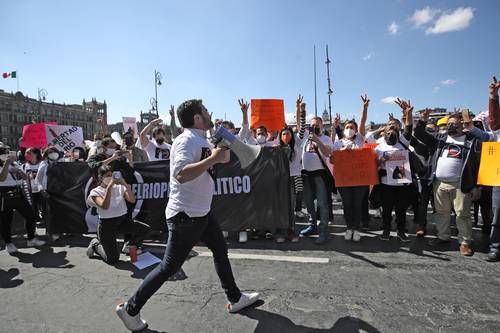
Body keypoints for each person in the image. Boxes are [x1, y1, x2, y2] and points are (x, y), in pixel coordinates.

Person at [116, 99, 259, 332]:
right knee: (169, 267)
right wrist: (213, 157)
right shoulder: (185, 140)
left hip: (201, 212)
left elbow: (214, 162)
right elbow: (181, 174)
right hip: (185, 215)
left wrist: (220, 150)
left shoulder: (201, 138)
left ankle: (235, 298)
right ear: (197, 118)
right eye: (205, 110)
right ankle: (130, 309)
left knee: (220, 251)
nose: (208, 112)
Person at [414, 108, 485, 256]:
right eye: (448, 124)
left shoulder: (472, 141)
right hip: (439, 183)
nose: (450, 126)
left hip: (461, 184)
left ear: (462, 125)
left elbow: (479, 165)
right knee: (441, 212)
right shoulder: (440, 139)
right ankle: (443, 237)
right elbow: (419, 134)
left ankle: (465, 242)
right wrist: (422, 120)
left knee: (462, 214)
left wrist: (477, 186)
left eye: (454, 124)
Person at [86, 165, 150, 264]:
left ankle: (129, 246)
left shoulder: (120, 187)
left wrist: (124, 183)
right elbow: (104, 206)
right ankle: (95, 244)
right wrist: (110, 187)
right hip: (106, 226)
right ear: (100, 177)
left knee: (145, 229)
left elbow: (132, 200)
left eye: (112, 175)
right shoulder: (95, 192)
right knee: (112, 260)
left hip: (122, 221)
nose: (110, 178)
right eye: (107, 175)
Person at [331, 95, 369, 242]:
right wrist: (341, 153)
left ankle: (357, 228)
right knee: (347, 204)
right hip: (344, 179)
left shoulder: (359, 140)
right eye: (347, 127)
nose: (349, 129)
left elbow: (362, 122)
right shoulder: (338, 143)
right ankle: (349, 227)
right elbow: (333, 160)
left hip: (359, 179)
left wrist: (364, 108)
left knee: (357, 204)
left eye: (351, 128)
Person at [1, 143, 45, 254]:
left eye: (7, 152)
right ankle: (8, 243)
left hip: (18, 192)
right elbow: (2, 178)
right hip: (4, 194)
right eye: (3, 152)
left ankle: (31, 239)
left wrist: (19, 171)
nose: (6, 154)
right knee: (6, 220)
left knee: (30, 215)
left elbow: (25, 178)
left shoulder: (14, 164)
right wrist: (6, 164)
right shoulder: (6, 164)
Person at [275, 94, 307, 243]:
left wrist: (300, 110)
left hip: (294, 178)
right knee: (282, 207)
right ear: (280, 136)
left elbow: (301, 127)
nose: (286, 135)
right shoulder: (276, 148)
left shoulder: (298, 143)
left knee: (292, 206)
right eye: (283, 134)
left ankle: (292, 231)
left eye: (288, 133)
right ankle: (281, 232)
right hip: (282, 179)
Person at [299, 115, 335, 245]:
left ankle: (324, 231)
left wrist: (317, 140)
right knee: (308, 202)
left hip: (320, 175)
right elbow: (299, 124)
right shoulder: (305, 137)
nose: (314, 127)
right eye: (312, 125)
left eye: (317, 125)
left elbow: (327, 154)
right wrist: (301, 110)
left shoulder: (326, 139)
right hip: (306, 174)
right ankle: (312, 225)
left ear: (322, 126)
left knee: (322, 203)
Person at [375, 124, 413, 242]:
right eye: (388, 132)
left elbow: (408, 128)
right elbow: (374, 164)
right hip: (386, 183)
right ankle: (386, 230)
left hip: (402, 183)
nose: (390, 134)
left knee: (401, 209)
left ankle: (400, 231)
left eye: (394, 132)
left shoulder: (403, 144)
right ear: (384, 133)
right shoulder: (379, 148)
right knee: (386, 209)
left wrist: (408, 114)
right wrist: (381, 160)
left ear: (398, 134)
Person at [21, 147, 43, 222]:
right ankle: (37, 220)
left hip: (42, 190)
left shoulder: (42, 164)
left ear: (36, 154)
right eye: (26, 153)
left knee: (44, 207)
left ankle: (46, 221)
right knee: (33, 208)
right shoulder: (24, 166)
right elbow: (21, 178)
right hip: (31, 191)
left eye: (29, 153)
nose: (27, 155)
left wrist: (34, 175)